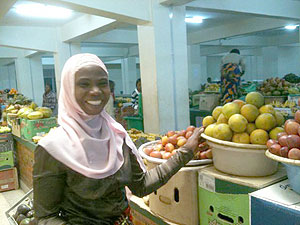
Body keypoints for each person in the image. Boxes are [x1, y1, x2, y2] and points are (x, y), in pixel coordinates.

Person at [33, 53, 206, 225]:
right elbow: (45, 217)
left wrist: (185, 152)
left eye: (103, 83)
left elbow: (141, 185)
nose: (96, 91)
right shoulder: (52, 148)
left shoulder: (116, 136)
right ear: (69, 89)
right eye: (84, 84)